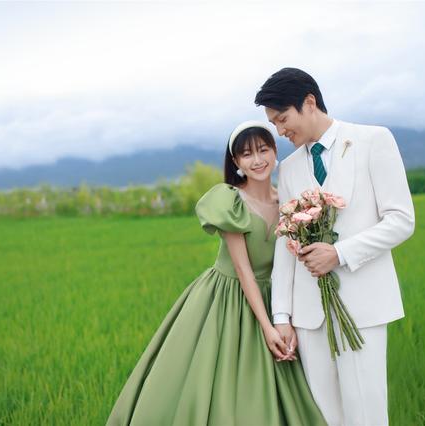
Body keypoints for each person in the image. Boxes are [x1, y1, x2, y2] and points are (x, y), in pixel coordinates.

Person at [106, 121, 325, 426]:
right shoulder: (230, 201)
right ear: (236, 162)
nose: (257, 160)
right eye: (247, 154)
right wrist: (268, 327)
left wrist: (283, 316)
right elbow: (243, 271)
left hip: (274, 297)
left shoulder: (290, 203)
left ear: (275, 151)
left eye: (263, 149)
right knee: (216, 379)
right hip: (227, 296)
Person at [255, 68, 415, 426]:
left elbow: (401, 220)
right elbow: (285, 242)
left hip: (363, 308)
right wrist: (281, 316)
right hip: (308, 316)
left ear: (309, 102)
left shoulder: (373, 140)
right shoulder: (290, 168)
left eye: (282, 119)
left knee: (367, 414)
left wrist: (340, 254)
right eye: (274, 123)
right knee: (325, 416)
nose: (279, 131)